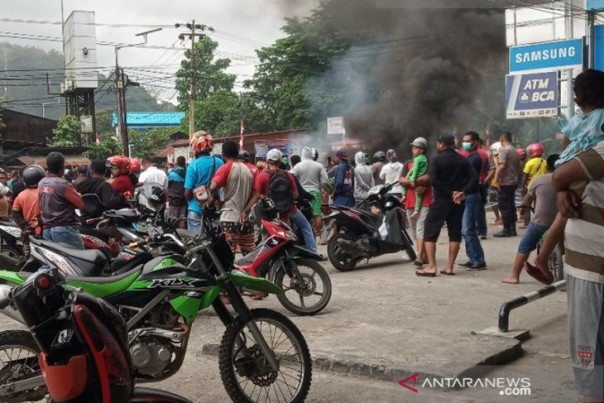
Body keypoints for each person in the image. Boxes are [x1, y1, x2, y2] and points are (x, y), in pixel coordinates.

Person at [529, 69, 604, 284]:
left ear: (577, 99)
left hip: (569, 166)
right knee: (565, 214)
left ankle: (552, 254)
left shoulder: (577, 119)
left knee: (564, 215)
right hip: (584, 170)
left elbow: (565, 145)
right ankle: (543, 257)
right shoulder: (602, 117)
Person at [550, 141, 604, 401]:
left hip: (595, 271)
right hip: (591, 268)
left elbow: (560, 175)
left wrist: (562, 186)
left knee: (592, 370)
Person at [416, 134, 477, 277]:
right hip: (457, 203)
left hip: (441, 201)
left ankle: (431, 266)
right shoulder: (463, 160)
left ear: (442, 144)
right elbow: (474, 179)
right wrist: (461, 193)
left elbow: (434, 181)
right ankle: (449, 267)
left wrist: (450, 193)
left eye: (438, 143)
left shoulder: (436, 160)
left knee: (430, 233)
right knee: (455, 234)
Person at [243, 148, 318, 254]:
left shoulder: (262, 176)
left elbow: (257, 196)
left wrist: (247, 210)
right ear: (280, 161)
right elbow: (296, 195)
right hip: (290, 210)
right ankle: (313, 252)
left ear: (267, 160)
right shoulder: (288, 175)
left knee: (268, 235)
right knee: (306, 226)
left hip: (271, 213)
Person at [501, 154, 559, 284]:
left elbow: (527, 199)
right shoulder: (570, 179)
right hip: (563, 222)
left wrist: (522, 208)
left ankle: (515, 276)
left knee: (525, 245)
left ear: (547, 166)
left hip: (541, 221)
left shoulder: (540, 180)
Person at [207, 141, 255, 254]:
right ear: (237, 153)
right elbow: (254, 195)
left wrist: (216, 199)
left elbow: (212, 187)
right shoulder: (248, 170)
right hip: (246, 220)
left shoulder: (226, 168)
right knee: (250, 255)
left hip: (229, 220)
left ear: (223, 154)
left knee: (228, 256)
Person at [38, 152, 85, 249]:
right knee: (78, 260)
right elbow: (81, 205)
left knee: (55, 263)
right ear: (61, 165)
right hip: (64, 229)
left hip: (47, 229)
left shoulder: (41, 183)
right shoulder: (62, 184)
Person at [458, 131, 487, 270]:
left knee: (468, 229)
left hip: (471, 196)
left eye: (467, 141)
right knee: (466, 230)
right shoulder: (471, 157)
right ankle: (473, 258)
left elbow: (469, 178)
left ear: (475, 142)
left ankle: (479, 260)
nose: (465, 143)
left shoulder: (474, 159)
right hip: (468, 196)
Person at [184, 131, 223, 233]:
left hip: (196, 208)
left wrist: (192, 201)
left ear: (195, 146)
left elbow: (187, 192)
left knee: (196, 243)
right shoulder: (219, 162)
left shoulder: (193, 166)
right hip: (215, 207)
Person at [290, 147, 329, 234]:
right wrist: (320, 187)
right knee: (317, 213)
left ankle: (303, 231)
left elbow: (291, 175)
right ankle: (318, 232)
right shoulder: (319, 165)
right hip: (315, 193)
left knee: (301, 213)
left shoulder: (298, 165)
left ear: (302, 154)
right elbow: (325, 180)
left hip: (302, 194)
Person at [493, 131, 520, 237]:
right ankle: (512, 228)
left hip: (505, 182)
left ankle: (506, 229)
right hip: (513, 181)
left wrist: (497, 179)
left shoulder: (505, 150)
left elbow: (502, 166)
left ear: (502, 139)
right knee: (511, 205)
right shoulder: (514, 150)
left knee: (504, 205)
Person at [12, 165, 45, 237]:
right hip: (44, 229)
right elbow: (51, 212)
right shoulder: (45, 193)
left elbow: (15, 214)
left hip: (29, 231)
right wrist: (39, 221)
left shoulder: (21, 195)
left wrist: (24, 226)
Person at [403, 137, 428, 220]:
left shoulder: (421, 160)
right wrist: (409, 175)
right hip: (410, 199)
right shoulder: (423, 159)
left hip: (416, 179)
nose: (413, 150)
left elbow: (417, 171)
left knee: (420, 230)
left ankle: (404, 195)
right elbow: (413, 169)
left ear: (422, 150)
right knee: (418, 195)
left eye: (416, 148)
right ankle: (404, 196)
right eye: (413, 148)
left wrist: (412, 179)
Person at [167, 156, 187, 228]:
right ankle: (182, 236)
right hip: (184, 198)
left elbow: (168, 186)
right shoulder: (187, 173)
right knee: (182, 218)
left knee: (173, 218)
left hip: (174, 198)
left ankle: (174, 235)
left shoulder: (172, 174)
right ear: (184, 162)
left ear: (177, 162)